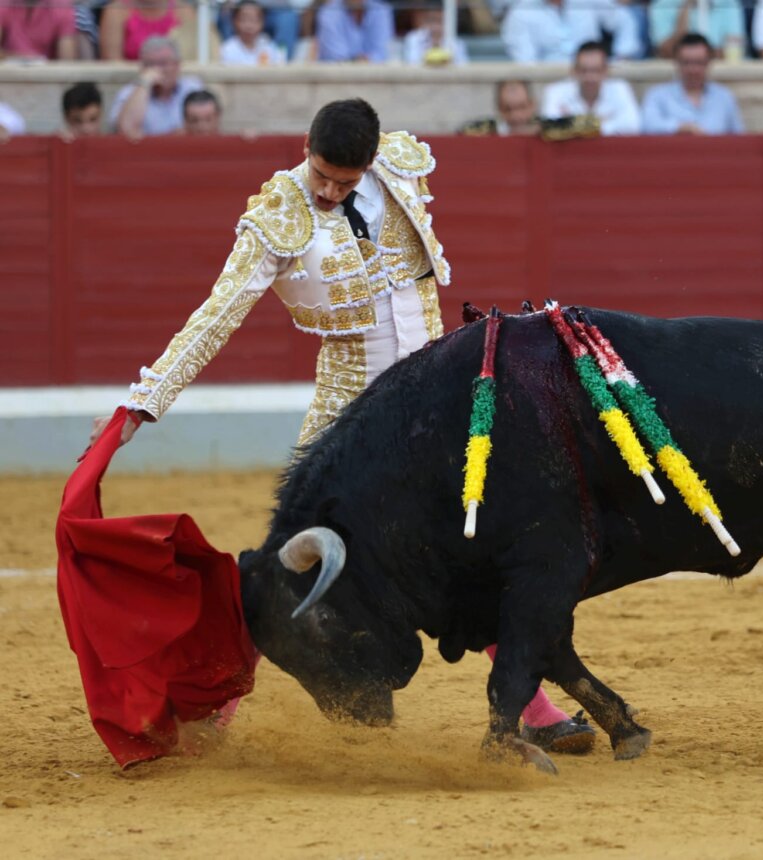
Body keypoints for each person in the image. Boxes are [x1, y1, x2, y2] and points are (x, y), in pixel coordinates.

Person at [89, 98, 596, 756]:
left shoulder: (402, 171)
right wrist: (141, 404)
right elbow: (216, 315)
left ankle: (536, 710)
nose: (329, 191)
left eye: (344, 181)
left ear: (371, 162)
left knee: (471, 546)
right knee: (289, 560)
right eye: (321, 175)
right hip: (348, 406)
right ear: (306, 146)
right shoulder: (279, 215)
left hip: (434, 403)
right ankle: (216, 707)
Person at [641, 33, 745, 135]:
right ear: (677, 63)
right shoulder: (658, 95)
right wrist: (679, 128)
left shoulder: (724, 97)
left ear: (709, 63)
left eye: (699, 62)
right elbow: (647, 127)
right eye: (686, 63)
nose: (693, 70)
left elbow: (738, 137)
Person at [110, 36, 204, 139]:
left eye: (163, 63)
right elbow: (126, 130)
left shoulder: (192, 88)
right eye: (150, 65)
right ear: (142, 68)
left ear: (177, 65)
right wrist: (145, 82)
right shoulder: (129, 93)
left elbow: (206, 128)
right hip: (145, 149)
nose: (157, 70)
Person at [540, 41, 640, 136]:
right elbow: (550, 127)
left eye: (596, 70)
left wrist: (575, 125)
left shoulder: (620, 89)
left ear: (606, 71)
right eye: (584, 70)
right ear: (574, 71)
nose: (590, 77)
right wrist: (601, 123)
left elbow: (633, 125)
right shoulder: (555, 91)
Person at [501, 0, 642, 63]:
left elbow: (624, 20)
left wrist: (622, 58)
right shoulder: (520, 12)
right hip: (551, 83)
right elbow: (527, 64)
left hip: (596, 76)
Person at [459, 79, 601, 139]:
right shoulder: (489, 129)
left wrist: (543, 131)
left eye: (521, 107)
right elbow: (459, 134)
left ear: (532, 105)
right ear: (499, 109)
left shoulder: (547, 126)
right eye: (508, 109)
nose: (516, 116)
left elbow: (593, 124)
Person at [99, 0, 196, 61]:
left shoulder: (184, 11)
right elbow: (112, 62)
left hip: (174, 82)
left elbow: (190, 59)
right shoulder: (116, 11)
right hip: (130, 83)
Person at [648, 0, 745, 59]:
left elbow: (734, 51)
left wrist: (693, 57)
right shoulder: (662, 4)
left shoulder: (729, 2)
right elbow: (667, 51)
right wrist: (686, 7)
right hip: (676, 77)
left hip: (720, 73)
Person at [315, 0, 394, 63]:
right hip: (337, 76)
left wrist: (363, 61)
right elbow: (336, 57)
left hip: (374, 74)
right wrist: (361, 61)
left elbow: (382, 53)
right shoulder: (328, 12)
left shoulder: (381, 10)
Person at [0, 0, 79, 60]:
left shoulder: (62, 5)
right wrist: (26, 60)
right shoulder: (4, 3)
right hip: (8, 73)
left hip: (47, 74)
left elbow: (67, 61)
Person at [220, 0, 287, 65]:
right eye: (243, 20)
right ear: (234, 21)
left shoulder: (268, 46)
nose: (249, 26)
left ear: (263, 22)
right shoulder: (227, 49)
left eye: (254, 20)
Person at [402, 6, 469, 66]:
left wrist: (447, 61)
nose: (436, 26)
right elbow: (412, 62)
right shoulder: (413, 38)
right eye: (433, 20)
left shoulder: (456, 42)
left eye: (440, 21)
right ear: (426, 21)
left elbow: (463, 65)